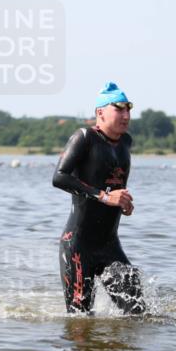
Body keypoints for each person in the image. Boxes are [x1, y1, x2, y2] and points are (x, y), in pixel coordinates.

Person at [52, 82, 143, 314]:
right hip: (78, 246)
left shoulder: (125, 143)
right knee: (80, 320)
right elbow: (59, 177)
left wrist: (123, 203)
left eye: (128, 109)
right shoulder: (84, 137)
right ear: (100, 113)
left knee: (138, 312)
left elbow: (114, 183)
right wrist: (104, 197)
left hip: (109, 245)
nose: (126, 115)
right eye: (119, 109)